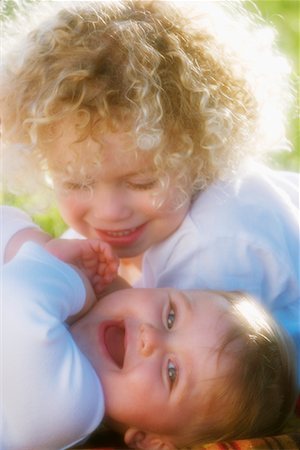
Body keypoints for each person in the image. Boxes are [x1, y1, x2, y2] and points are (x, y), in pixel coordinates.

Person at [1, 0, 299, 388]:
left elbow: (178, 385)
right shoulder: (142, 224)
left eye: (143, 183)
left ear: (199, 152)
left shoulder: (216, 249)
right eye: (76, 183)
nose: (108, 213)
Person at [1, 205, 297, 450]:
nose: (149, 337)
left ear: (149, 440)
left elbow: (15, 301)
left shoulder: (72, 410)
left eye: (172, 372)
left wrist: (62, 268)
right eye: (171, 316)